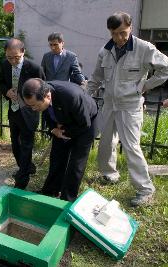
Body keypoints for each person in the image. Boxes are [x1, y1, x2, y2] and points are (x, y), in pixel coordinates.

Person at [87, 11, 168, 206]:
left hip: (130, 106)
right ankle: (109, 174)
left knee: (132, 147)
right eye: (114, 34)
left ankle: (145, 190)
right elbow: (96, 78)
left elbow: (165, 68)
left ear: (130, 27)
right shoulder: (105, 51)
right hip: (109, 104)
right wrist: (85, 96)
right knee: (106, 142)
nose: (119, 38)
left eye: (123, 32)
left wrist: (143, 86)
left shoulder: (144, 48)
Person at [22, 79, 98, 201]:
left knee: (76, 163)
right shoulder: (42, 96)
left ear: (47, 95)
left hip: (85, 124)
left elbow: (84, 124)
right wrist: (53, 129)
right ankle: (50, 191)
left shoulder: (71, 96)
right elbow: (48, 115)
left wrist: (63, 132)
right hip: (62, 124)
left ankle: (67, 198)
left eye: (35, 105)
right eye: (30, 105)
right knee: (56, 158)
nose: (33, 109)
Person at [0, 38, 45, 190]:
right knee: (15, 144)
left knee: (26, 145)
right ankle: (27, 167)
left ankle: (22, 179)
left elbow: (43, 89)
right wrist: (7, 91)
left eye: (16, 57)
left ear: (23, 52)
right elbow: (1, 83)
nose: (13, 61)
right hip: (13, 111)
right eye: (9, 57)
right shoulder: (5, 65)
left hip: (29, 112)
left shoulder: (34, 68)